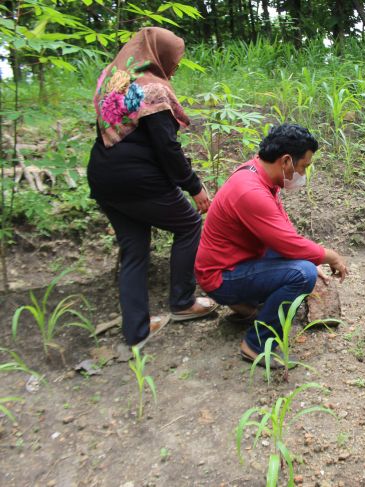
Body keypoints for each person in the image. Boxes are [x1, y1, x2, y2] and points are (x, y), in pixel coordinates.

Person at [88, 27, 217, 349]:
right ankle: (183, 302)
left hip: (103, 176)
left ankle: (137, 330)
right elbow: (167, 147)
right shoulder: (153, 89)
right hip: (138, 179)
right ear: (160, 53)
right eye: (175, 57)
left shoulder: (113, 78)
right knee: (188, 225)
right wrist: (194, 187)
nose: (176, 64)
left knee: (134, 248)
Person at [195, 124, 348, 366]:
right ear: (286, 161)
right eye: (303, 166)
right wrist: (329, 256)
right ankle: (256, 345)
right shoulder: (250, 191)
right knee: (303, 274)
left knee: (302, 261)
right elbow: (289, 244)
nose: (303, 173)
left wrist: (310, 255)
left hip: (234, 263)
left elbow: (283, 233)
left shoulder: (257, 174)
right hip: (222, 276)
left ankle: (246, 306)